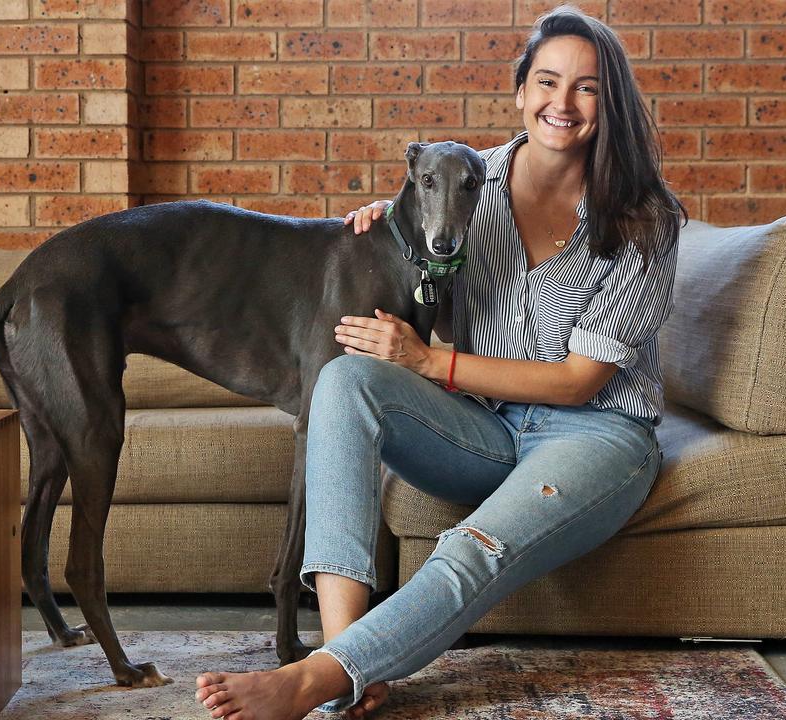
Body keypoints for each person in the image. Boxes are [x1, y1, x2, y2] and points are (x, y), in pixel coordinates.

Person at [195, 5, 685, 719]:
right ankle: (352, 653)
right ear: (520, 92)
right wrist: (386, 219)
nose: (563, 103)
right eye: (547, 81)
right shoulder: (465, 184)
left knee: (474, 544)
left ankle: (318, 680)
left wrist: (430, 363)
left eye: (588, 89)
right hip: (483, 431)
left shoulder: (644, 218)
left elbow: (581, 383)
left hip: (596, 436)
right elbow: (411, 216)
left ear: (610, 106)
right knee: (343, 381)